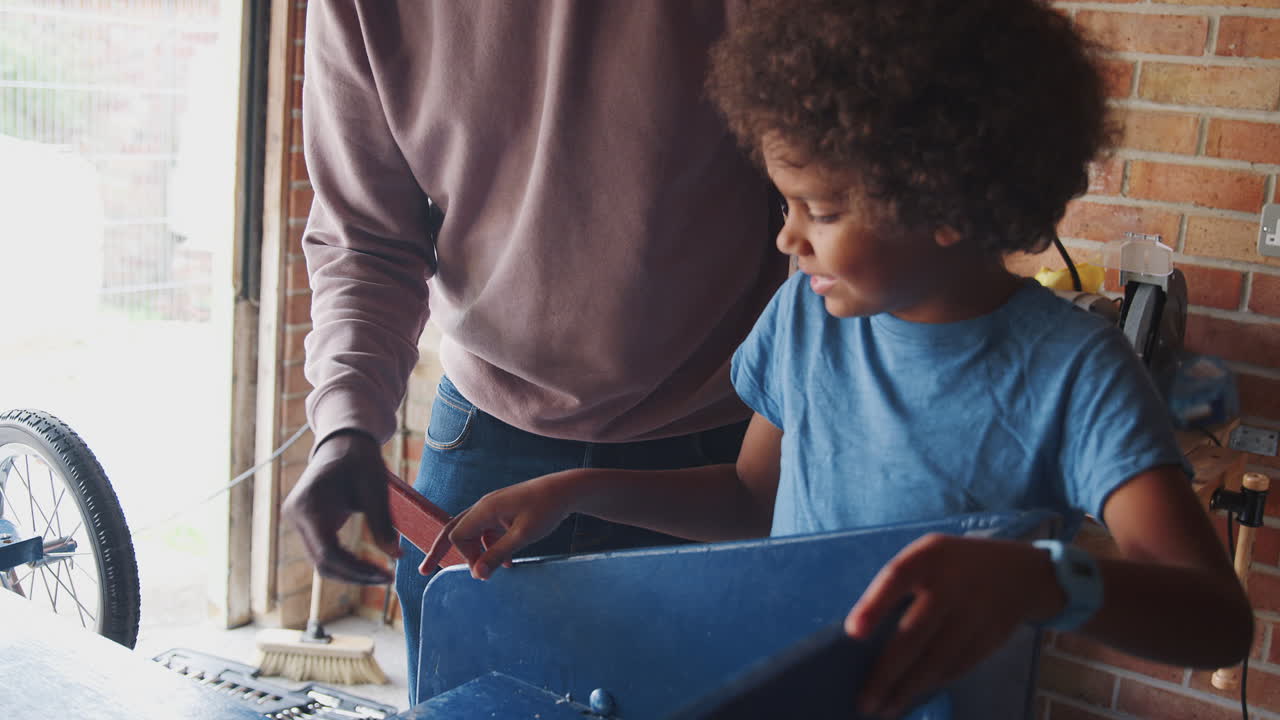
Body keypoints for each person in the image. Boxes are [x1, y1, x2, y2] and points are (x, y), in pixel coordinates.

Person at [424, 0, 1254, 715]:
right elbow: (754, 502)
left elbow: (1216, 617)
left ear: (944, 202)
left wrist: (1041, 578)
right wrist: (578, 491)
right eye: (784, 202)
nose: (788, 237)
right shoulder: (805, 318)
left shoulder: (1078, 373)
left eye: (818, 210)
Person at [281, 0, 790, 702]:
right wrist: (344, 423)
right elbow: (364, 241)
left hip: (715, 449)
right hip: (485, 440)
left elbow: (816, 193)